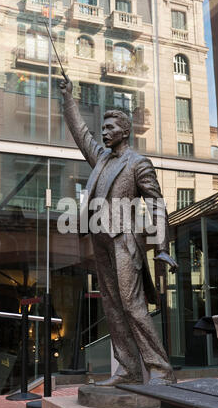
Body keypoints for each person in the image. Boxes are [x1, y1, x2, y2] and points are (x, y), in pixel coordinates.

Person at [60, 77, 178, 386]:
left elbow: (155, 204)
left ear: (124, 132)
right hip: (101, 240)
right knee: (112, 307)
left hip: (125, 240)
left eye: (110, 128)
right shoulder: (101, 158)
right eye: (104, 128)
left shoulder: (138, 163)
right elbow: (81, 133)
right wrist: (69, 100)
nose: (104, 132)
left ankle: (161, 370)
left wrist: (162, 245)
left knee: (132, 305)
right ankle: (128, 369)